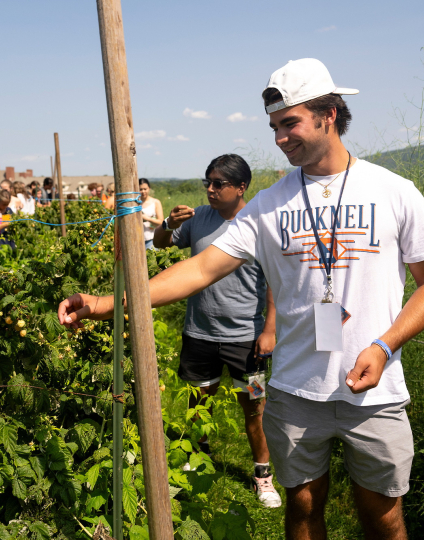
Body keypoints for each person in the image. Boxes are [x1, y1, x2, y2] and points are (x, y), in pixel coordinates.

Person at [58, 58, 424, 539]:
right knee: (303, 507)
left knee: (382, 515)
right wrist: (105, 303)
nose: (280, 138)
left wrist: (384, 345)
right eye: (274, 127)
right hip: (294, 390)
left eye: (290, 123)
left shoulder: (394, 192)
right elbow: (201, 268)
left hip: (375, 392)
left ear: (329, 114)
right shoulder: (269, 205)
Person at [153, 154, 281, 508]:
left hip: (246, 339)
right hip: (200, 334)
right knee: (199, 402)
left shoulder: (259, 224)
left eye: (218, 184)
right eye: (207, 182)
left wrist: (269, 329)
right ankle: (199, 459)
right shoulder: (197, 218)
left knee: (254, 406)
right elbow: (161, 242)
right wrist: (166, 222)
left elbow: (273, 282)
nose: (210, 189)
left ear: (241, 188)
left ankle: (263, 476)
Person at [139, 178, 163, 249]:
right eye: (140, 189)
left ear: (149, 188)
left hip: (151, 239)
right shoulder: (135, 203)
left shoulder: (155, 202)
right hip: (138, 240)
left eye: (145, 189)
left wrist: (147, 218)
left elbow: (161, 222)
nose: (143, 191)